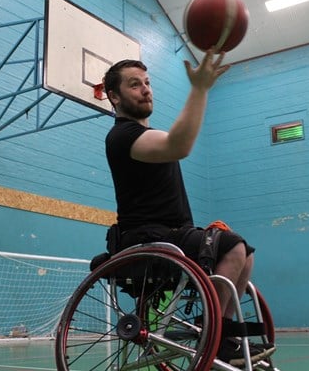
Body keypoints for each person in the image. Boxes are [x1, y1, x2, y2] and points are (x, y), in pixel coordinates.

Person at [102, 49, 267, 364]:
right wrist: (200, 88)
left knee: (244, 253)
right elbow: (179, 144)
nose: (146, 89)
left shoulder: (145, 135)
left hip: (173, 233)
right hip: (146, 238)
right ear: (114, 96)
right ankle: (214, 337)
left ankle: (225, 334)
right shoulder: (122, 136)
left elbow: (175, 139)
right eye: (134, 84)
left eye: (147, 82)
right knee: (232, 248)